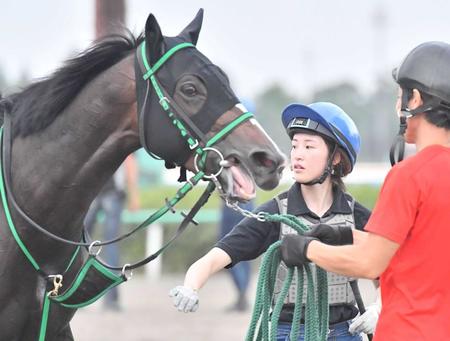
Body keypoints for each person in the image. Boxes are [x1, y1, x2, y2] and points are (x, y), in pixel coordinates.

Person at [280, 41, 450, 340]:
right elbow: (415, 246)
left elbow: (369, 262)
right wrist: (345, 235)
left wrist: (306, 248)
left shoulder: (409, 175)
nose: (398, 106)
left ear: (416, 99)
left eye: (400, 97)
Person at [169, 102, 380, 340]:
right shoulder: (273, 214)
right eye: (294, 146)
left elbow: (388, 272)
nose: (297, 154)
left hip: (345, 332)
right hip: (287, 333)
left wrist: (379, 308)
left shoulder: (358, 216)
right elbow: (216, 257)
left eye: (309, 146)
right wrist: (190, 286)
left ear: (336, 158)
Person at [84, 154, 140, 311]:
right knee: (111, 245)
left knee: (80, 243)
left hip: (93, 192)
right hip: (112, 193)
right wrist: (134, 194)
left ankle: (73, 292)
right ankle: (111, 299)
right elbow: (130, 162)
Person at [219, 200, 254, 312]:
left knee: (228, 251)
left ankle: (242, 295)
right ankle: (242, 296)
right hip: (247, 204)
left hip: (233, 205)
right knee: (244, 256)